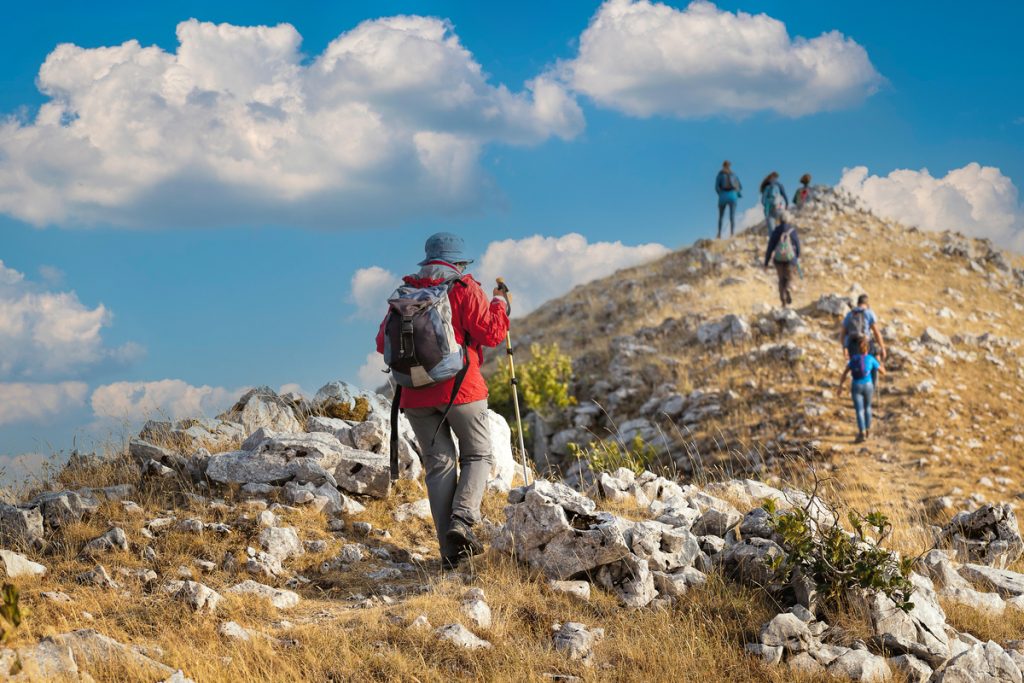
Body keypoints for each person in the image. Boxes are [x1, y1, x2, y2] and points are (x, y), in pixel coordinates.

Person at [375, 232, 510, 569]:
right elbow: (492, 334)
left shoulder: (406, 293)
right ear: (459, 262)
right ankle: (462, 522)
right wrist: (500, 304)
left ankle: (450, 554)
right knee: (478, 454)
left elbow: (382, 343)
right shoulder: (464, 288)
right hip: (462, 392)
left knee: (439, 466)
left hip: (414, 395)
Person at [839, 336, 885, 443]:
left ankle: (862, 432)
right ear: (867, 349)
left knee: (859, 410)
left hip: (856, 385)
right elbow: (883, 372)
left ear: (858, 349)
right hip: (868, 385)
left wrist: (840, 386)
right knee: (867, 407)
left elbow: (845, 373)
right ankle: (868, 429)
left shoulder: (854, 359)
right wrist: (881, 364)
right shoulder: (871, 358)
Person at [841, 294, 887, 385]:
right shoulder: (869, 313)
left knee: (855, 368)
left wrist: (845, 348)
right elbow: (876, 333)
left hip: (853, 346)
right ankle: (870, 390)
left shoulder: (849, 315)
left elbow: (843, 334)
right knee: (873, 365)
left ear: (858, 303)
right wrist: (882, 347)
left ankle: (857, 391)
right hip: (866, 344)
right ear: (867, 304)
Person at [763, 209, 801, 307]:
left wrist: (766, 262)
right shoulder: (792, 231)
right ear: (788, 219)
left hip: (778, 259)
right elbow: (797, 245)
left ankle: (783, 301)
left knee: (781, 279)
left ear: (779, 219)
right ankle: (788, 287)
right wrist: (796, 257)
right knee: (789, 277)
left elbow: (770, 247)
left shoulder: (776, 231)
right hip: (790, 259)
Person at [715, 160, 742, 239]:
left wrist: (720, 193)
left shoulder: (720, 175)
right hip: (731, 195)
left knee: (722, 216)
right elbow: (739, 186)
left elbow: (716, 187)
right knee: (730, 216)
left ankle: (721, 234)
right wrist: (736, 193)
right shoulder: (733, 175)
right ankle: (730, 233)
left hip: (725, 195)